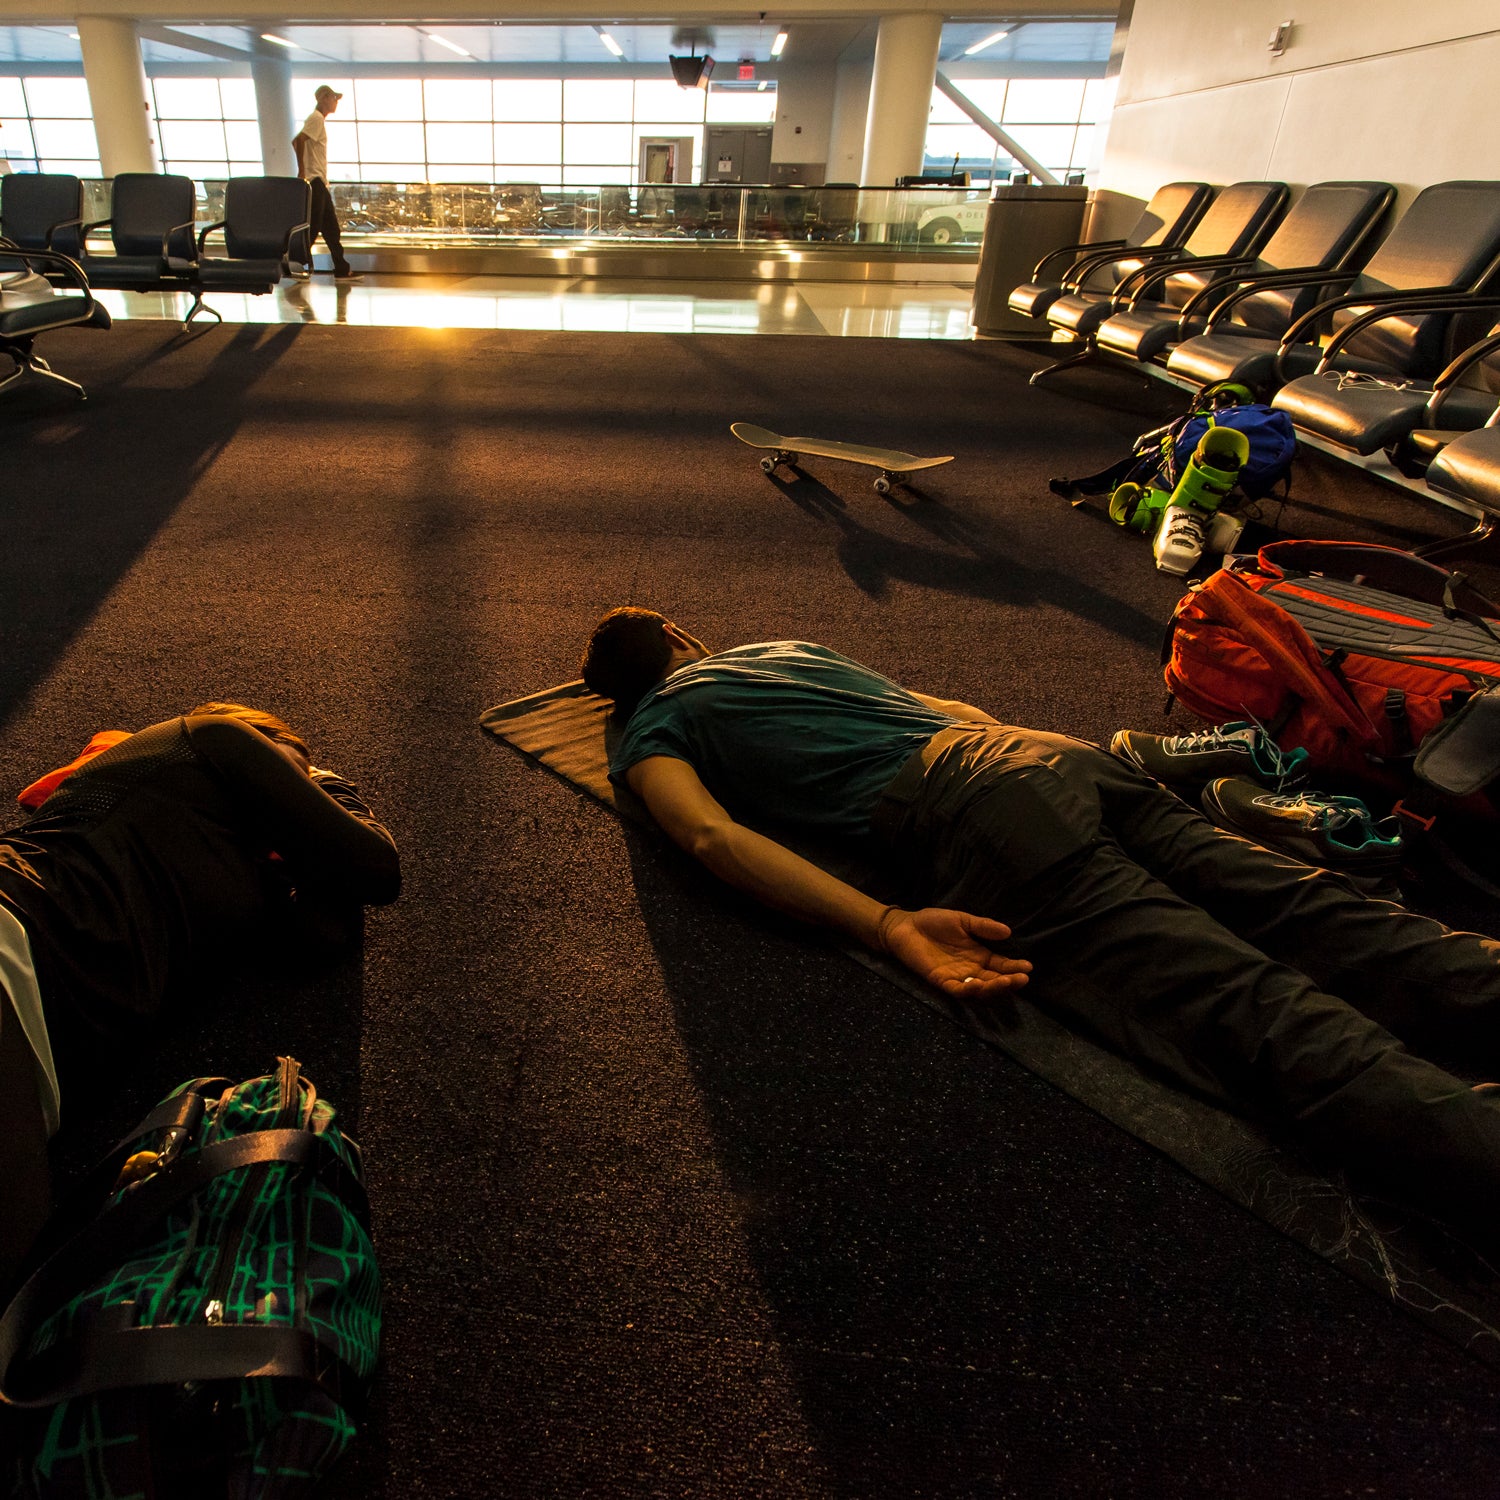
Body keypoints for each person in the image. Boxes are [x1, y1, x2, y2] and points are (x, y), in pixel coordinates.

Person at [580, 608, 1500, 1248]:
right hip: (1047, 753)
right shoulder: (784, 650)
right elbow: (956, 712)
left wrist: (888, 920)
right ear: (680, 638)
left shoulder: (649, 733)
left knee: (1250, 1003)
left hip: (976, 810)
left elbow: (707, 833)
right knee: (1325, 915)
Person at [0, 703, 399, 1286]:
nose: (300, 795)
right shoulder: (209, 739)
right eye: (296, 772)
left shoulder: (247, 868)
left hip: (50, 1044)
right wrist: (331, 787)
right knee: (21, 1295)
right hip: (20, 931)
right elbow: (378, 868)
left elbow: (325, 934)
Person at [292, 86, 359, 281]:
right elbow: (298, 141)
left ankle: (341, 268)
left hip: (320, 181)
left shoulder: (317, 120)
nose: (336, 102)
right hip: (315, 181)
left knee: (331, 229)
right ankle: (296, 262)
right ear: (323, 98)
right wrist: (303, 171)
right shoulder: (316, 118)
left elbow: (298, 141)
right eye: (334, 98)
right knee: (314, 227)